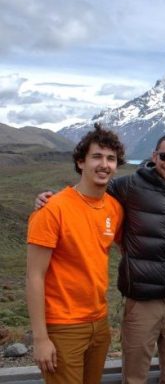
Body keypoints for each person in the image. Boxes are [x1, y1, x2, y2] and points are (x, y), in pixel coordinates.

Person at [35, 133, 165, 384]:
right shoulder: (128, 186)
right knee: (134, 377)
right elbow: (87, 192)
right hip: (140, 303)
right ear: (154, 156)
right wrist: (48, 199)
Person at [26, 123, 126, 383]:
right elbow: (34, 276)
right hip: (63, 326)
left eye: (111, 159)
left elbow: (125, 247)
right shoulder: (52, 209)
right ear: (81, 162)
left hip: (99, 324)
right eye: (97, 157)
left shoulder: (113, 208)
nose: (104, 164)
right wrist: (40, 338)